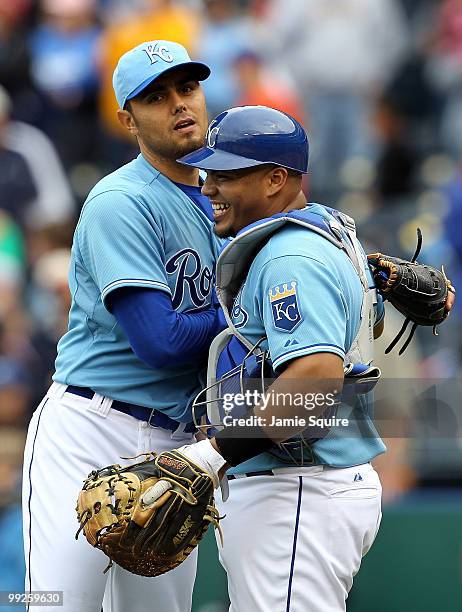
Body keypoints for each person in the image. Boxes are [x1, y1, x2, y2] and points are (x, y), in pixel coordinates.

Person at [22, 40, 225, 612]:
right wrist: (245, 312)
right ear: (126, 119)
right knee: (57, 604)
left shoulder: (229, 197)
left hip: (179, 448)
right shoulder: (122, 199)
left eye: (187, 88)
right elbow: (159, 341)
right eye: (156, 97)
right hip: (89, 429)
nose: (179, 104)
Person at [175, 105, 387, 611]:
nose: (208, 188)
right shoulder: (320, 231)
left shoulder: (290, 256)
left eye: (226, 175)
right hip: (299, 483)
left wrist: (211, 456)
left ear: (276, 179)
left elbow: (315, 379)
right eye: (208, 173)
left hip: (299, 486)